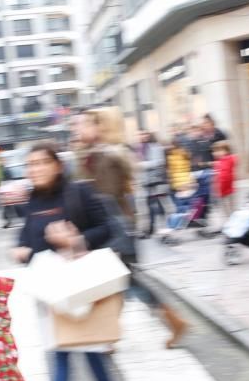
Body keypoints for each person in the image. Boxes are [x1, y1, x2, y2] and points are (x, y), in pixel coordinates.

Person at [13, 143, 120, 381]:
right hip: (52, 286)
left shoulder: (79, 193)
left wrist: (74, 240)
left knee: (65, 352)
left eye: (41, 163)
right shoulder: (32, 200)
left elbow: (108, 228)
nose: (35, 169)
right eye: (30, 164)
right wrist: (22, 250)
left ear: (57, 165)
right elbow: (31, 238)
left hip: (81, 283)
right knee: (87, 347)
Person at [74, 109, 189, 348]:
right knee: (120, 282)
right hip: (112, 228)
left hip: (115, 229)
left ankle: (172, 322)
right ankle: (112, 333)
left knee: (123, 282)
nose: (78, 128)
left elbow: (105, 199)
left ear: (101, 127)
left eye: (84, 124)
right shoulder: (93, 155)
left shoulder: (107, 156)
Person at [137, 131, 169, 238]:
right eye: (140, 134)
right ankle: (151, 228)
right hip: (147, 182)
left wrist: (142, 165)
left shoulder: (155, 147)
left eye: (144, 134)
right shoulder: (140, 148)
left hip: (156, 181)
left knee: (158, 204)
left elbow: (159, 162)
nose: (142, 136)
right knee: (149, 205)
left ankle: (162, 228)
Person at [212, 141, 236, 220]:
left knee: (229, 208)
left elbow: (225, 176)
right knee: (226, 209)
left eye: (220, 151)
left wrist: (220, 189)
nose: (216, 153)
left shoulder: (226, 161)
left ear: (227, 151)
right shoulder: (219, 162)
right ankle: (230, 222)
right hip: (222, 190)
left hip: (226, 190)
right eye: (215, 151)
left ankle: (232, 222)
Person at [166, 137, 192, 208]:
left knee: (180, 205)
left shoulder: (171, 156)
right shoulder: (185, 153)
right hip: (187, 180)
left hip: (178, 182)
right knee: (187, 203)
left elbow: (172, 171)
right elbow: (188, 168)